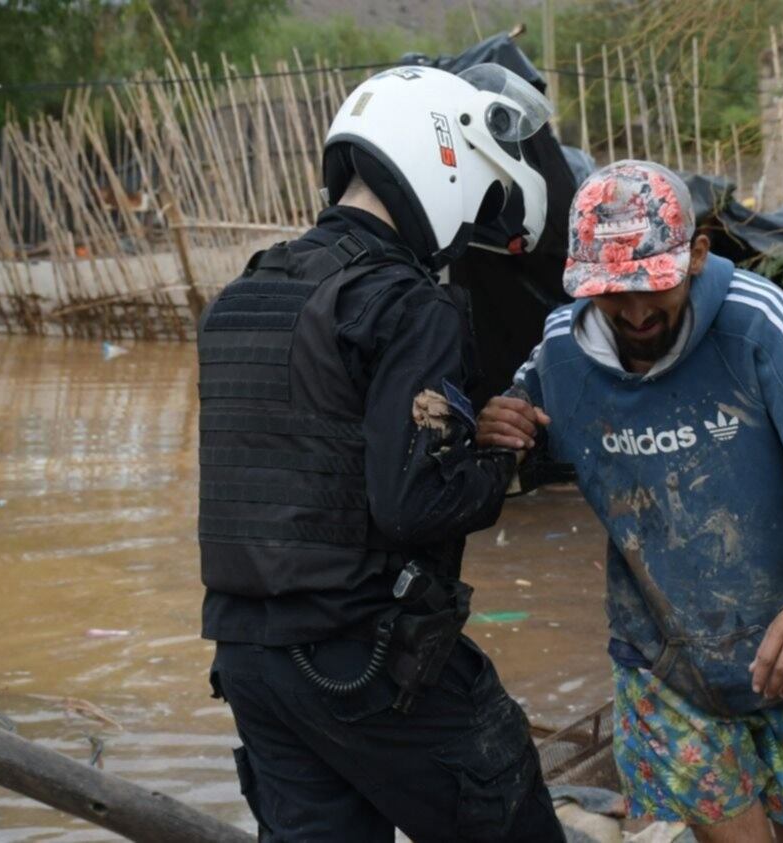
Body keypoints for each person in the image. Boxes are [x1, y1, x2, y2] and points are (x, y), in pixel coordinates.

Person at [477, 160, 783, 843]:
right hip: (666, 666)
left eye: (654, 285)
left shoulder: (756, 324)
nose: (636, 311)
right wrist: (499, 431)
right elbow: (518, 440)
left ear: (698, 256)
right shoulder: (562, 354)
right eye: (614, 292)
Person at [196, 63, 565, 842]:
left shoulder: (245, 294)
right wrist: (502, 458)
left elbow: (309, 459)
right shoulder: (409, 304)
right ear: (446, 162)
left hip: (249, 659)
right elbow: (413, 501)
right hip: (363, 664)